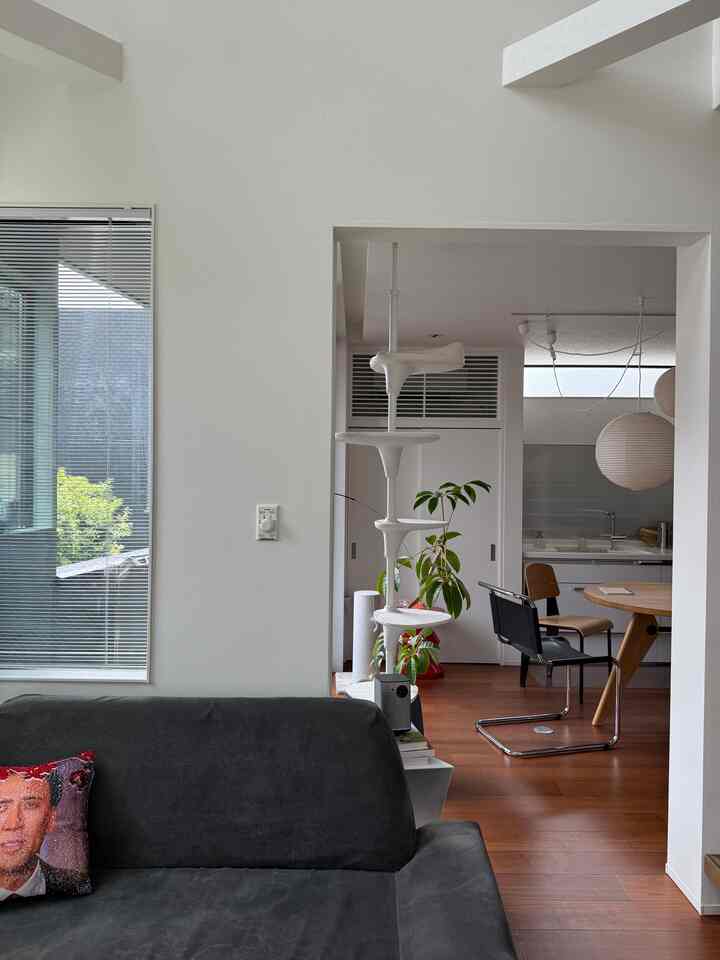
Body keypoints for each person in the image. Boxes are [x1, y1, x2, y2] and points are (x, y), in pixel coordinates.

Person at [0, 768, 87, 900]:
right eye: (1, 807)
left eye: (30, 805)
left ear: (50, 820)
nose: (13, 824)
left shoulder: (75, 883)